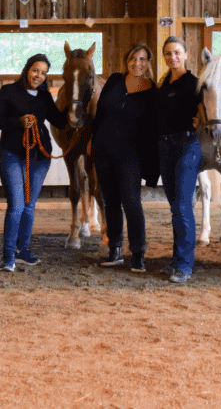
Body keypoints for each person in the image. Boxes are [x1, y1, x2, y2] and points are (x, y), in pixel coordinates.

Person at [0, 53, 69, 272]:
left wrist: (74, 106)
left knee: (29, 206)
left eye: (43, 73)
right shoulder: (8, 91)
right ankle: (7, 255)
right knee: (16, 205)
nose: (39, 76)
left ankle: (22, 250)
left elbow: (59, 121)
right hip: (12, 153)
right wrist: (18, 121)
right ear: (27, 69)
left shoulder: (44, 95)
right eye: (36, 70)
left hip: (39, 156)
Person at [92, 43, 158, 273]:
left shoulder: (152, 90)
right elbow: (100, 112)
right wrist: (93, 142)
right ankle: (115, 249)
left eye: (142, 59)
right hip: (104, 151)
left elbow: (153, 128)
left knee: (131, 202)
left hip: (131, 155)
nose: (137, 63)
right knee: (110, 202)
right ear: (126, 60)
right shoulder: (114, 81)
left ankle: (138, 253)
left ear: (148, 63)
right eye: (133, 58)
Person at [157, 36, 203, 284]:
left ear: (185, 54)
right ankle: (177, 259)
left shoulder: (195, 83)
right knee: (175, 206)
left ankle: (185, 265)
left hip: (186, 145)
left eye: (176, 53)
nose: (172, 57)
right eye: (167, 54)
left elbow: (207, 109)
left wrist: (200, 120)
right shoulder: (164, 83)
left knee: (183, 206)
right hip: (165, 146)